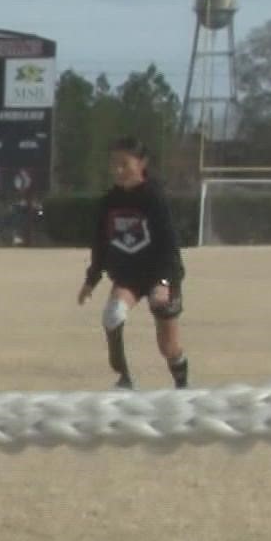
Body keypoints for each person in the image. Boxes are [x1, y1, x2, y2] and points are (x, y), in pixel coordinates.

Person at [77, 137, 189, 390]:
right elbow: (101, 244)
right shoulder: (109, 201)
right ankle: (124, 377)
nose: (117, 170)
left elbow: (170, 246)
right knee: (113, 315)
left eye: (124, 164)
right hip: (128, 275)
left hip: (160, 273)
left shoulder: (154, 198)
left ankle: (182, 383)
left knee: (168, 347)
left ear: (142, 164)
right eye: (113, 164)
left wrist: (164, 282)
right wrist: (91, 280)